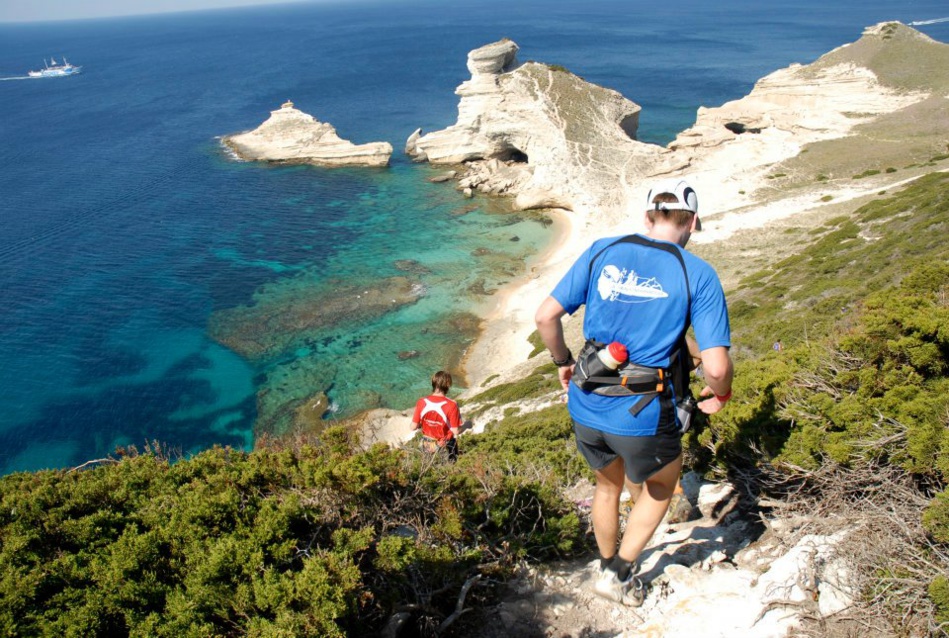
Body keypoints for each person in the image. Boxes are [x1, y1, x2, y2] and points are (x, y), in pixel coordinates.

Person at [534, 178, 733, 606]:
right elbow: (716, 367)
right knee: (662, 484)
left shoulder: (602, 249)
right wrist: (722, 394)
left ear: (647, 217)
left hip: (587, 399)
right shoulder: (697, 272)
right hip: (643, 410)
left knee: (607, 486)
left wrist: (562, 361)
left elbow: (545, 317)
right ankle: (619, 573)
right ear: (693, 222)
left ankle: (606, 562)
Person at [410, 370, 462, 461]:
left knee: (427, 468)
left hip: (426, 445)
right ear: (448, 385)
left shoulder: (421, 401)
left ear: (433, 383)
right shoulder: (451, 405)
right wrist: (466, 424)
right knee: (450, 468)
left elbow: (413, 427)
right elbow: (456, 431)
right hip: (445, 446)